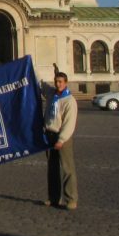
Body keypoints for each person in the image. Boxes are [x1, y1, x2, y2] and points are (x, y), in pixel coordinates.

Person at [41, 69, 78, 210]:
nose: (58, 84)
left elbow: (69, 123)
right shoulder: (52, 95)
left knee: (67, 168)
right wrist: (29, 66)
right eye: (56, 81)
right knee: (52, 168)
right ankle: (54, 198)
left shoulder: (69, 101)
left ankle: (71, 200)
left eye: (61, 82)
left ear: (66, 83)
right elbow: (42, 85)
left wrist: (61, 139)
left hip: (63, 137)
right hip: (49, 135)